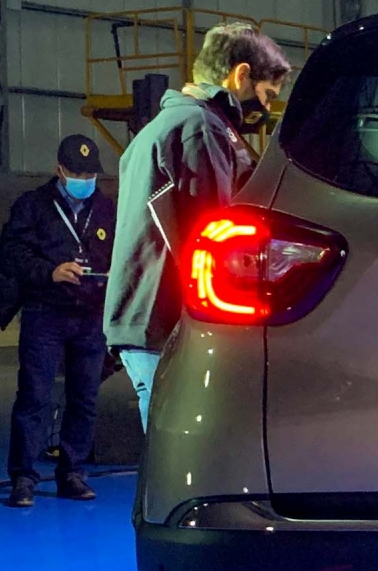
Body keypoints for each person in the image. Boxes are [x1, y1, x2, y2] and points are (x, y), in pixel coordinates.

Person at [103, 23, 289, 430]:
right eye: (266, 94)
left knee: (167, 446)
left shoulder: (165, 126)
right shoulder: (199, 127)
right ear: (241, 75)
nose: (265, 108)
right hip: (168, 322)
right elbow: (216, 236)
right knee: (182, 448)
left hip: (148, 319)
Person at [0, 135, 116, 508]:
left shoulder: (106, 208)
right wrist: (50, 271)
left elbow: (122, 251)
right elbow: (13, 254)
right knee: (34, 396)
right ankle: (23, 477)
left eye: (90, 174)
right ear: (59, 170)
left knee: (84, 398)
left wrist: (111, 275)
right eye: (77, 173)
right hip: (45, 313)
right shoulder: (33, 206)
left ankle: (72, 473)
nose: (84, 180)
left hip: (90, 315)